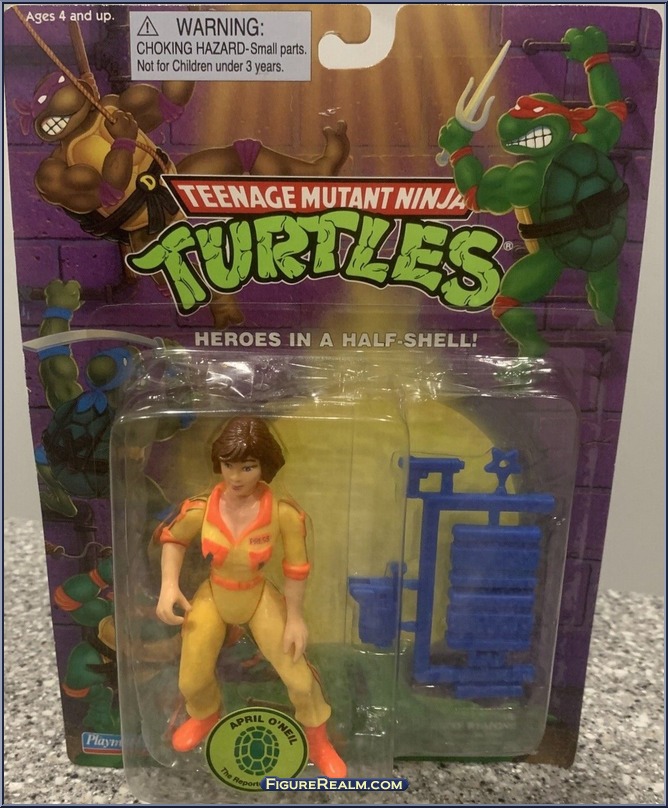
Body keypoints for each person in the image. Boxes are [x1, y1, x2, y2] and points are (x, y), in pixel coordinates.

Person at [155, 416, 346, 777]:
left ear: (264, 466)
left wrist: (295, 618)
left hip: (258, 596)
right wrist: (169, 586)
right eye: (229, 465)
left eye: (248, 466)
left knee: (299, 679)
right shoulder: (202, 507)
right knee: (190, 680)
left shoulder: (282, 513)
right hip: (214, 594)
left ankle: (318, 738)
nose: (236, 476)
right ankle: (205, 715)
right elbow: (173, 539)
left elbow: (296, 569)